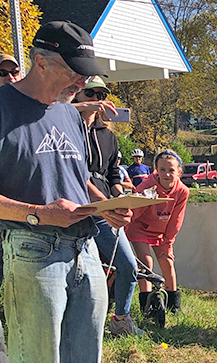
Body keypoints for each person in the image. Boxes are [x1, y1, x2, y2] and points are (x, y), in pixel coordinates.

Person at [0, 20, 131, 363]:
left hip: (85, 249)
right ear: (42, 60)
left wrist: (108, 204)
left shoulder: (69, 115)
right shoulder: (2, 106)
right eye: (75, 73)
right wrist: (40, 215)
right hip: (32, 253)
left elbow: (77, 179)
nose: (82, 83)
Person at [72, 76, 145, 336]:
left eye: (101, 95)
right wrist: (105, 204)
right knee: (78, 271)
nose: (95, 100)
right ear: (78, 95)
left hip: (105, 208)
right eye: (90, 94)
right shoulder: (69, 128)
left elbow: (114, 174)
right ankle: (79, 324)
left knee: (128, 265)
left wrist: (120, 198)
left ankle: (120, 318)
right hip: (77, 208)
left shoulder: (108, 136)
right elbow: (77, 175)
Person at [126, 150, 190, 315]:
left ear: (179, 172)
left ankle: (173, 303)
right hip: (140, 227)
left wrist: (168, 241)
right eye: (162, 170)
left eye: (171, 170)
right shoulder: (148, 185)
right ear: (156, 170)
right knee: (146, 263)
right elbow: (135, 209)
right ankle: (146, 302)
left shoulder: (182, 191)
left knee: (167, 261)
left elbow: (177, 219)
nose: (166, 174)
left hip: (161, 231)